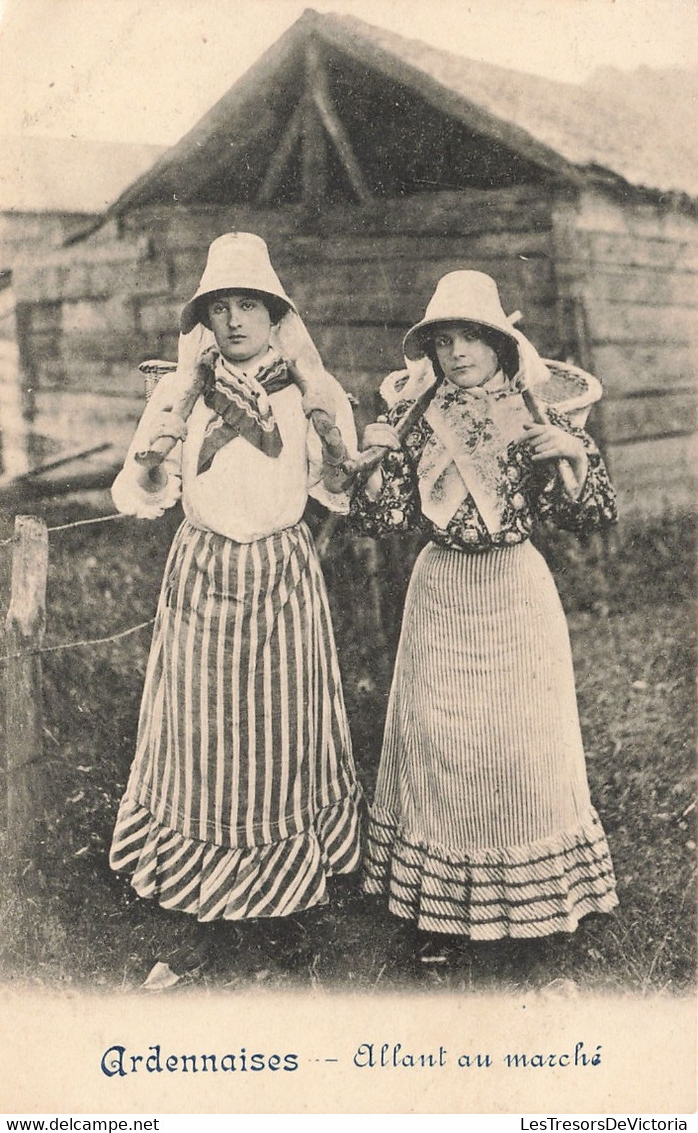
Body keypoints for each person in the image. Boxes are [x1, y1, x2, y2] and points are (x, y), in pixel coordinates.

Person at [109, 232, 362, 984]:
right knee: (203, 737)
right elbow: (135, 492)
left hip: (281, 574)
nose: (235, 321)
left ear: (276, 312)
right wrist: (155, 455)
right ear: (204, 320)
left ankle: (280, 903)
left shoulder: (308, 392)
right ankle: (202, 896)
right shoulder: (180, 392)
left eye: (249, 304)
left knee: (281, 729)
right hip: (203, 573)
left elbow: (342, 486)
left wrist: (341, 448)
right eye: (220, 308)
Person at [349, 269, 619, 954]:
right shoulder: (418, 415)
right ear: (431, 351)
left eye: (473, 337)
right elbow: (386, 519)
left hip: (514, 586)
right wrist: (376, 467)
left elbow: (590, 515)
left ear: (502, 342)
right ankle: (440, 908)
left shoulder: (535, 409)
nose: (459, 352)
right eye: (444, 341)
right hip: (441, 588)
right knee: (442, 744)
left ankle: (528, 912)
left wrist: (575, 458)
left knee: (521, 744)